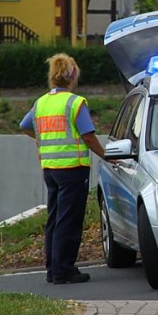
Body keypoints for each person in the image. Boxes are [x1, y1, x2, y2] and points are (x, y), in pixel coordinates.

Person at [20, 53, 107, 284]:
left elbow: (25, 126)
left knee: (55, 218)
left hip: (50, 168)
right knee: (69, 220)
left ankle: (52, 269)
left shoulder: (41, 103)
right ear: (72, 75)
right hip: (73, 168)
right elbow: (88, 137)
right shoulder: (75, 103)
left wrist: (41, 139)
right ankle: (64, 270)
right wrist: (108, 157)